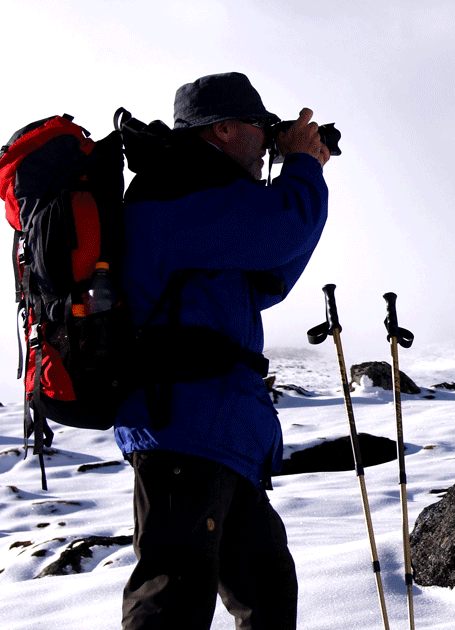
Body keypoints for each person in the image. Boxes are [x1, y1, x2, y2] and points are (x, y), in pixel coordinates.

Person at [113, 72, 330, 630]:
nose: (266, 140)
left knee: (267, 593)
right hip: (184, 427)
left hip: (219, 433)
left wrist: (297, 170)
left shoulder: (209, 199)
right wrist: (300, 170)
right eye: (260, 128)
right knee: (173, 602)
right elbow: (281, 228)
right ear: (224, 129)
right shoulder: (178, 187)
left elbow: (270, 274)